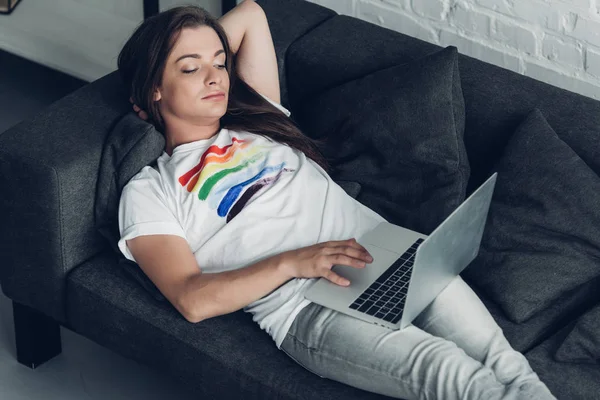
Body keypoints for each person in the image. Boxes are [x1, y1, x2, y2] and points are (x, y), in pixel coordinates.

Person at [117, 2, 556, 399]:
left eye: (220, 62)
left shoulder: (257, 124)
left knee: (510, 368)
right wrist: (294, 262)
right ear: (153, 87)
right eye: (191, 69)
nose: (216, 77)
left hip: (388, 257)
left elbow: (250, 13)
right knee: (456, 378)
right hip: (306, 306)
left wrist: (189, 43)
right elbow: (192, 300)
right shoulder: (150, 190)